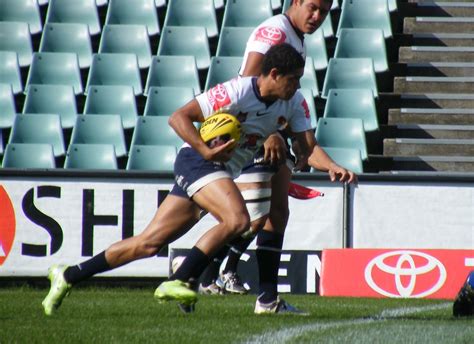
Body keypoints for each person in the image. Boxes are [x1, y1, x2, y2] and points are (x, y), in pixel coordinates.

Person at [41, 43, 346, 316]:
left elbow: (306, 145)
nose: (297, 85)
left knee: (149, 243)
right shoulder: (236, 91)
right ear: (275, 74)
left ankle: (68, 276)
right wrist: (205, 150)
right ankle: (180, 280)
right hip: (197, 161)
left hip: (218, 172)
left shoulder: (293, 103)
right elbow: (178, 117)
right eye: (293, 79)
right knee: (238, 220)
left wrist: (297, 151)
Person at [198, 0, 335, 303]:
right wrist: (270, 131)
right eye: (312, 7)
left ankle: (262, 295)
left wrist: (297, 143)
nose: (317, 16)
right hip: (256, 131)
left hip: (269, 129)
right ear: (296, 2)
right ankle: (206, 272)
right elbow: (249, 82)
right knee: (253, 217)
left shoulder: (296, 37)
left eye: (323, 12)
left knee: (274, 213)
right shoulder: (276, 32)